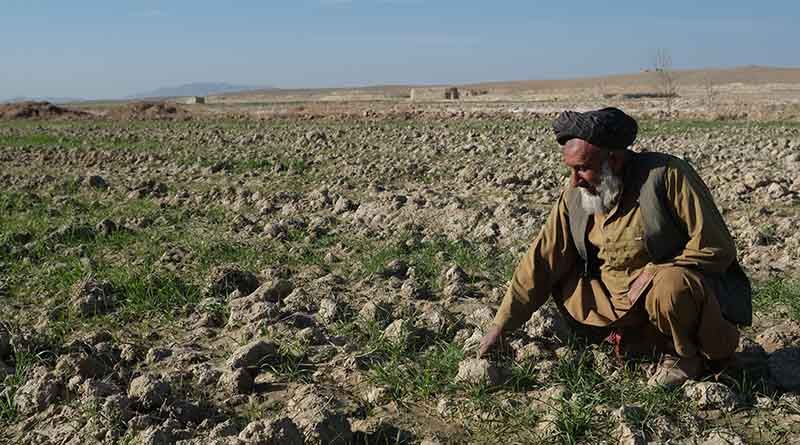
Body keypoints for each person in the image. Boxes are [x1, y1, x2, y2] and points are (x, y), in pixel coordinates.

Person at [478, 107, 751, 388]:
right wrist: (502, 326)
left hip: (675, 303)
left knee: (671, 284)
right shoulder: (575, 195)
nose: (575, 180)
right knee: (563, 274)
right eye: (570, 170)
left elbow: (716, 246)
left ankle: (684, 356)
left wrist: (658, 270)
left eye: (583, 168)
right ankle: (631, 343)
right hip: (616, 307)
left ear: (615, 160)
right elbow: (542, 259)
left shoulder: (666, 176)